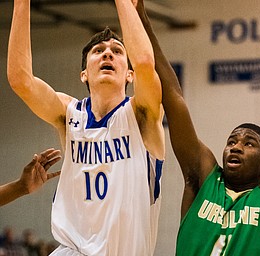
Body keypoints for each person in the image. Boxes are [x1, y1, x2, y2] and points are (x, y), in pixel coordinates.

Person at [136, 1, 260, 255]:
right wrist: (142, 21)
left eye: (249, 143)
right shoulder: (202, 179)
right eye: (232, 141)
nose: (236, 147)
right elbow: (174, 99)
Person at [7, 0, 165, 255]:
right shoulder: (68, 114)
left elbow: (146, 62)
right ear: (84, 74)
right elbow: (20, 80)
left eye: (117, 51)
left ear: (129, 74)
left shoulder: (142, 114)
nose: (107, 54)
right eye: (98, 51)